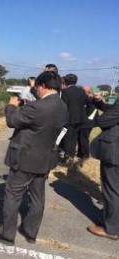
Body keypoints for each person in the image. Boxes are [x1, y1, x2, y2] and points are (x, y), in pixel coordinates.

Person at [0, 71, 68, 246]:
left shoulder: (37, 107)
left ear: (43, 86)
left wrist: (12, 106)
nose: (36, 90)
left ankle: (7, 234)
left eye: (37, 87)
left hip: (25, 158)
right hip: (44, 159)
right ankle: (30, 231)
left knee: (13, 194)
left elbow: (12, 121)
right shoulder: (62, 106)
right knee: (38, 197)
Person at [87, 92, 119, 240]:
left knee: (111, 190)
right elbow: (114, 111)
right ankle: (112, 220)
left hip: (115, 154)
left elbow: (104, 120)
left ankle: (111, 229)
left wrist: (99, 116)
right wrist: (101, 103)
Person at [59, 74, 92, 164]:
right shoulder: (81, 91)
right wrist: (85, 112)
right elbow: (90, 102)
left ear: (66, 81)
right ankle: (71, 155)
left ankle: (68, 157)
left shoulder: (65, 91)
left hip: (69, 118)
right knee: (74, 138)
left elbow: (63, 105)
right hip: (81, 118)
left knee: (68, 138)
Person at [76, 86, 98, 161]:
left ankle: (85, 155)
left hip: (88, 122)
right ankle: (80, 153)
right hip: (85, 122)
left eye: (83, 91)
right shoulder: (89, 98)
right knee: (80, 138)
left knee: (83, 139)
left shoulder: (91, 99)